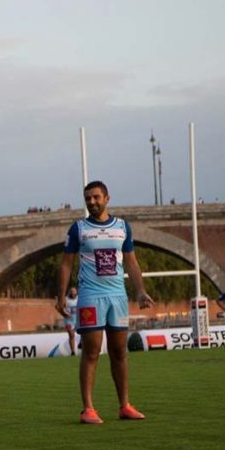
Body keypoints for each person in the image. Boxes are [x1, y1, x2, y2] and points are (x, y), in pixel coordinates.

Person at [56, 181, 154, 424]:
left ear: (107, 198)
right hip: (90, 297)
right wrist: (60, 296)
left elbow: (131, 261)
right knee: (91, 352)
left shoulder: (122, 227)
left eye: (96, 197)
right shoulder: (78, 229)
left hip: (117, 297)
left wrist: (140, 291)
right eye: (88, 198)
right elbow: (67, 263)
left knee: (119, 351)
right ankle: (88, 409)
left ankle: (125, 406)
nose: (92, 202)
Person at [62, 286, 79, 356]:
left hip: (77, 319)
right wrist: (64, 313)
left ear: (76, 293)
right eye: (71, 292)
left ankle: (81, 343)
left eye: (74, 292)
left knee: (84, 333)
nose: (73, 293)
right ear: (69, 292)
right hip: (68, 320)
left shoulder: (79, 298)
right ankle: (73, 351)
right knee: (71, 335)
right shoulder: (65, 299)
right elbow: (59, 307)